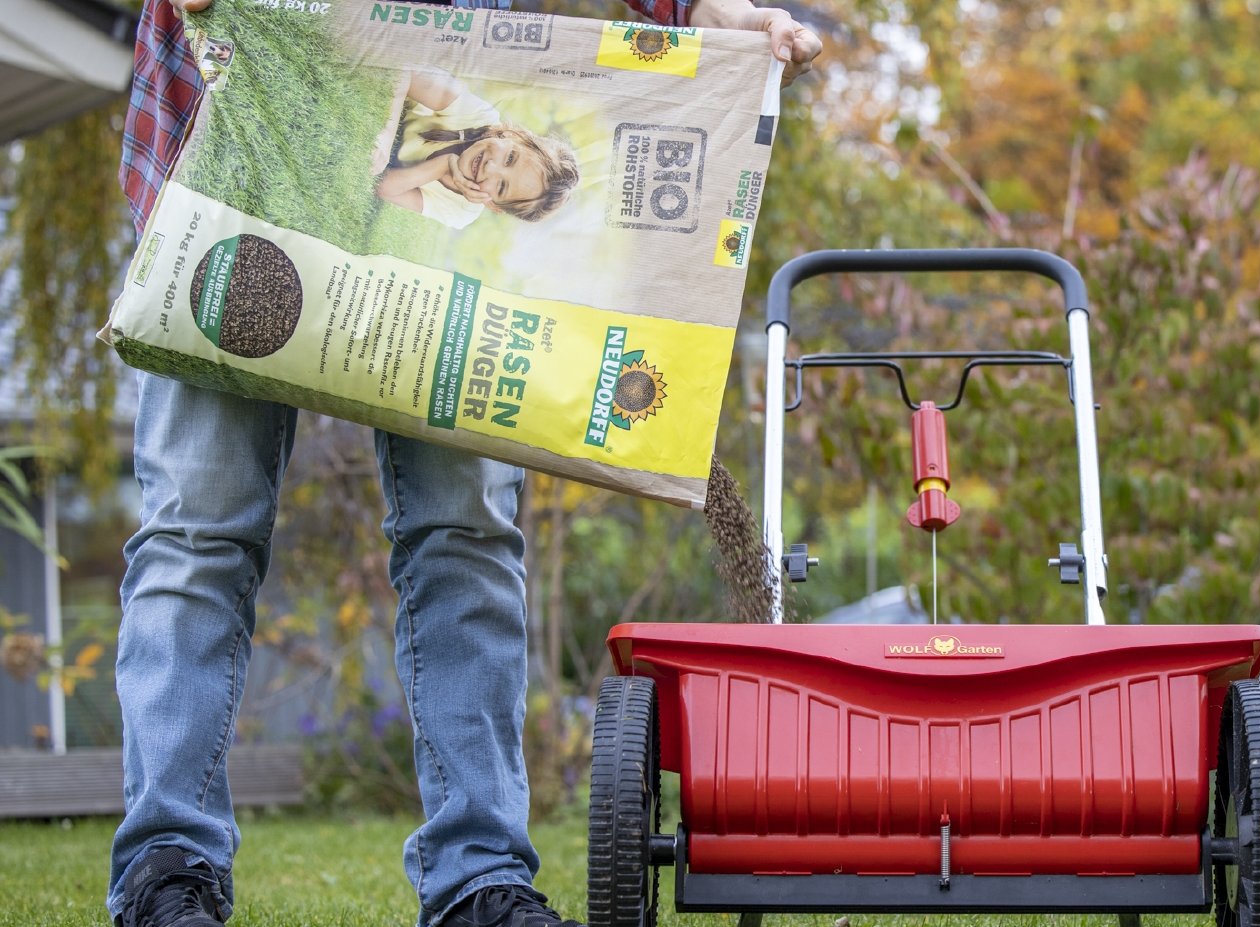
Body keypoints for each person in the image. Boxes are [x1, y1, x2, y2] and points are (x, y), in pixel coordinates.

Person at [109, 2, 820, 927]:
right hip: (238, 148)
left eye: (514, 181)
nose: (497, 172)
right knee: (197, 533)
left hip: (431, 264)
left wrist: (709, 16)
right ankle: (168, 868)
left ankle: (478, 878)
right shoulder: (438, 133)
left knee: (465, 538)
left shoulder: (444, 190)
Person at [374, 69, 581, 229]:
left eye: (501, 186)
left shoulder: (460, 211)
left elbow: (382, 187)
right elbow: (405, 69)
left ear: (493, 205)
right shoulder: (477, 115)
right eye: (509, 158)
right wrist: (386, 133)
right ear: (514, 136)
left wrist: (444, 165)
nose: (490, 167)